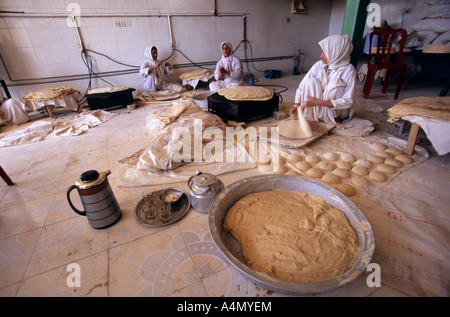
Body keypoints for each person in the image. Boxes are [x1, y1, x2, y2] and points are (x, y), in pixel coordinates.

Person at [290, 34, 356, 124]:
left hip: (337, 111)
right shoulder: (319, 65)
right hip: (317, 107)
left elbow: (348, 100)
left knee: (335, 84)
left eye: (325, 53)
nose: (321, 56)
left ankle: (333, 118)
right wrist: (296, 105)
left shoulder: (348, 70)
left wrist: (318, 102)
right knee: (310, 82)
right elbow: (302, 85)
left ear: (335, 52)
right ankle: (311, 117)